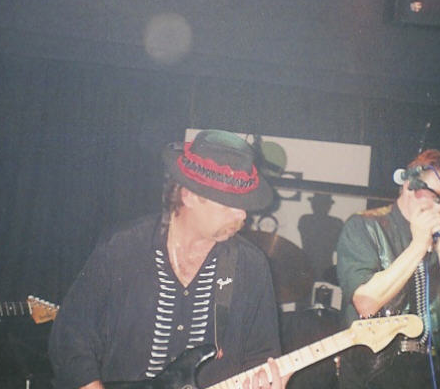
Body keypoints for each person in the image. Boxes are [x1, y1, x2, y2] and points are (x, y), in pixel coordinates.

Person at [48, 129, 288, 389]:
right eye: (229, 204)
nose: (242, 215)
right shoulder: (123, 247)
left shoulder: (250, 266)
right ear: (189, 196)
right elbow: (72, 335)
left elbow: (261, 353)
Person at [336, 149, 440, 389]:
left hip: (432, 375)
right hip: (373, 374)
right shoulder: (364, 226)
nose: (439, 209)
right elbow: (366, 303)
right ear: (409, 185)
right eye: (436, 196)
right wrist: (418, 245)